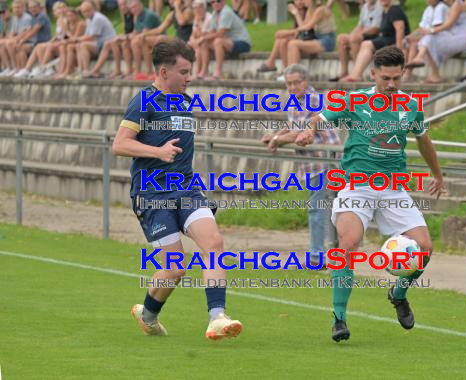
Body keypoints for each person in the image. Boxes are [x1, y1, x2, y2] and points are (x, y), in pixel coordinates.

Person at [296, 46, 446, 341]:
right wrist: (310, 131)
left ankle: (398, 293)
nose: (391, 85)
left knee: (425, 248)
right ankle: (339, 318)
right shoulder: (354, 100)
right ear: (373, 73)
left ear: (403, 74)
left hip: (392, 189)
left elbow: (424, 141)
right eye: (385, 78)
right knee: (348, 245)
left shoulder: (411, 106)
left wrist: (438, 174)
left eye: (396, 78)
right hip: (357, 186)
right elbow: (318, 119)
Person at [112, 38, 243, 339]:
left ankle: (217, 318)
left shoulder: (185, 102)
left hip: (186, 189)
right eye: (183, 71)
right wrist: (157, 152)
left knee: (214, 244)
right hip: (152, 194)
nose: (189, 76)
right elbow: (119, 144)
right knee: (176, 267)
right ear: (163, 71)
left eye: (190, 70)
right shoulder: (143, 101)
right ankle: (148, 314)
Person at [261, 64, 342, 269]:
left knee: (318, 210)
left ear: (306, 81)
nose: (293, 87)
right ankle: (332, 255)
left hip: (325, 161)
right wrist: (276, 135)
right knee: (329, 209)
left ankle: (317, 257)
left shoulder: (313, 100)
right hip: (313, 163)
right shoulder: (294, 100)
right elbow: (292, 125)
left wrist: (278, 140)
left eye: (297, 82)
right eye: (289, 83)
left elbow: (301, 132)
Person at [340, 0, 410, 82]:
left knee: (367, 44)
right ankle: (355, 74)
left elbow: (400, 30)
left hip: (393, 42)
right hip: (386, 40)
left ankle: (356, 75)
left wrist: (399, 50)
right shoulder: (386, 11)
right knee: (365, 44)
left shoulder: (395, 10)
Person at [407, 0, 466, 84]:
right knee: (429, 38)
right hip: (453, 36)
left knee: (430, 37)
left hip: (463, 38)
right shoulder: (449, 6)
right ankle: (422, 60)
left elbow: (449, 25)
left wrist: (431, 30)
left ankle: (422, 60)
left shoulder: (458, 4)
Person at [195, 0, 251, 80]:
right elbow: (210, 32)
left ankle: (218, 73)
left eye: (218, 1)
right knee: (204, 43)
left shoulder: (226, 12)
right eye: (212, 2)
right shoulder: (215, 13)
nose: (215, 4)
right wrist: (200, 34)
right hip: (229, 42)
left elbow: (220, 33)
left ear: (223, 1)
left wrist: (202, 38)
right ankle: (203, 72)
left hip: (243, 43)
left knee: (218, 41)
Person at [137, 0, 194, 79]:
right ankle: (149, 71)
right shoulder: (172, 14)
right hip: (177, 41)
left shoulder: (188, 11)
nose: (170, 1)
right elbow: (159, 29)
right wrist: (144, 34)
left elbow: (181, 22)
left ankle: (160, 72)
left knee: (161, 39)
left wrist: (177, 7)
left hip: (187, 42)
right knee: (145, 40)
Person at [58, 0, 115, 78]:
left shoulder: (96, 18)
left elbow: (91, 37)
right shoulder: (88, 19)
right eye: (84, 12)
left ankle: (84, 70)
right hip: (98, 42)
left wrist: (74, 39)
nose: (85, 13)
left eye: (87, 11)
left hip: (106, 42)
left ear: (93, 9)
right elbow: (85, 35)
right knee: (70, 46)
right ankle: (71, 70)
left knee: (81, 45)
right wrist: (72, 40)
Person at [330, 0, 382, 82]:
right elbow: (360, 26)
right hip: (363, 35)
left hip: (375, 36)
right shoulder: (365, 7)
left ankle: (356, 73)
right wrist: (349, 36)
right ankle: (344, 72)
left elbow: (376, 29)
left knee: (354, 38)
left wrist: (356, 35)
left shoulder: (380, 6)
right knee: (341, 38)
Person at [83, 0, 133, 78]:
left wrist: (75, 39)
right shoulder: (125, 14)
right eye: (120, 5)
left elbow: (137, 30)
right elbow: (126, 30)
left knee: (111, 43)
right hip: (115, 40)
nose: (122, 7)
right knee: (80, 45)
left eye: (124, 5)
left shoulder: (97, 18)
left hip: (108, 40)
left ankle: (96, 70)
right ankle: (85, 70)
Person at [402, 0, 448, 81]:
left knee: (416, 42)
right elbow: (421, 29)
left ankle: (409, 71)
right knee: (410, 42)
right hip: (427, 36)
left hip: (439, 37)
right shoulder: (428, 9)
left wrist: (417, 37)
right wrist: (409, 37)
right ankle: (406, 72)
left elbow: (435, 28)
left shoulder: (441, 7)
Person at [256, 0, 307, 73]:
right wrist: (293, 31)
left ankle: (274, 64)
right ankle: (283, 69)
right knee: (280, 38)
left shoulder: (305, 11)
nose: (299, 2)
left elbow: (303, 29)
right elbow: (296, 30)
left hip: (307, 38)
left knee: (282, 40)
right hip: (299, 35)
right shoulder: (297, 11)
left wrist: (296, 14)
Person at [285, 0, 337, 69]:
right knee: (288, 43)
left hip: (326, 40)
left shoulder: (320, 9)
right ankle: (289, 73)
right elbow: (303, 26)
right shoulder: (310, 10)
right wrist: (296, 13)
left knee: (293, 44)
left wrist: (292, 31)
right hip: (317, 38)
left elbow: (308, 27)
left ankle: (295, 74)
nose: (303, 1)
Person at [11, 0, 51, 73]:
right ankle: (20, 69)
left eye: (34, 7)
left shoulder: (42, 16)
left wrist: (22, 41)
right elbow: (28, 30)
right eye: (31, 8)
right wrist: (18, 39)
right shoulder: (34, 17)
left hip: (44, 41)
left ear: (39, 7)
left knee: (21, 47)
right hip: (37, 42)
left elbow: (33, 31)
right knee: (18, 47)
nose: (33, 9)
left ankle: (25, 70)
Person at [0, 0, 31, 76]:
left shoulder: (27, 18)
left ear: (23, 8)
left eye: (18, 7)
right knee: (2, 43)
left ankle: (14, 67)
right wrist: (9, 38)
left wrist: (12, 39)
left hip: (27, 41)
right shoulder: (16, 18)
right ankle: (8, 68)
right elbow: (13, 33)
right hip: (19, 40)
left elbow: (25, 33)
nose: (16, 10)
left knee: (9, 43)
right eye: (15, 8)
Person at [187, 0, 211, 78]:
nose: (197, 10)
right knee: (188, 46)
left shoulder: (209, 18)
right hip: (200, 42)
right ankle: (189, 73)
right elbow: (192, 35)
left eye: (200, 8)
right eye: (195, 8)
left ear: (204, 8)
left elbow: (205, 35)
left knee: (198, 49)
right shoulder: (197, 18)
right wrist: (193, 41)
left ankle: (198, 73)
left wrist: (195, 41)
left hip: (208, 43)